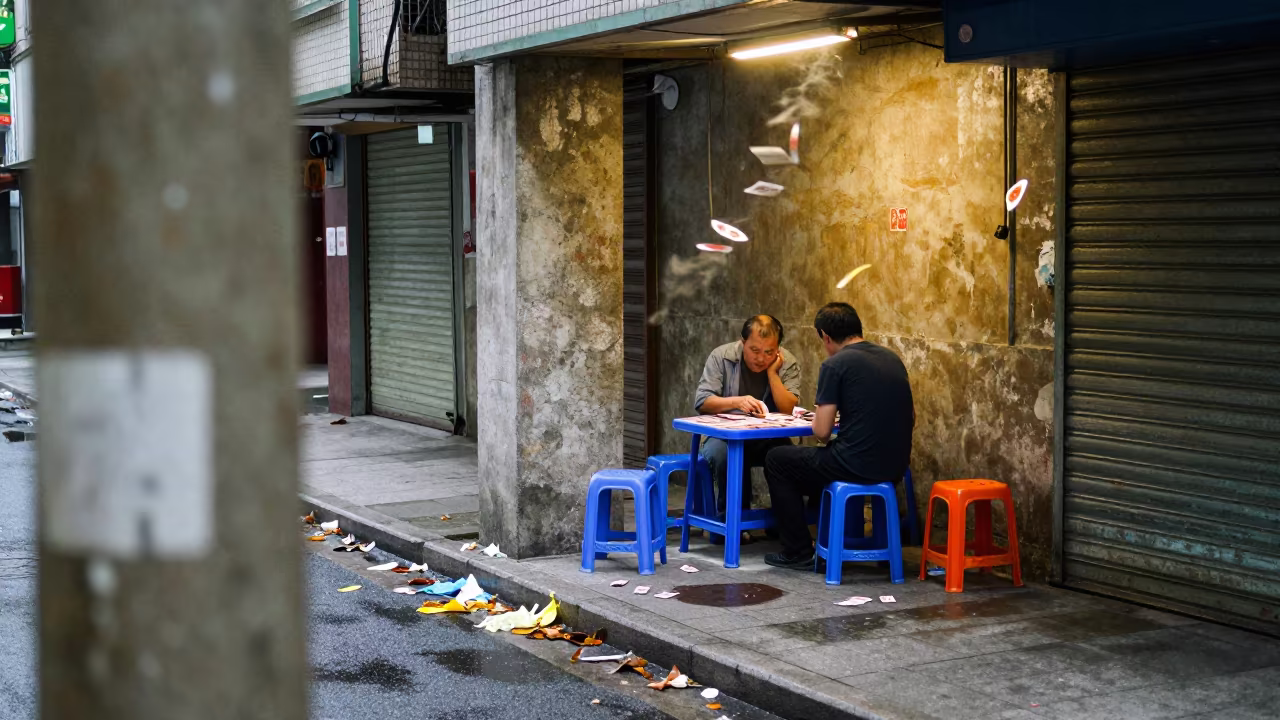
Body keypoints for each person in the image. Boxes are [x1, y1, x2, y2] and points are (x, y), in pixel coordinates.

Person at [762, 302, 914, 569]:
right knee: (809, 467)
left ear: (826, 337)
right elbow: (911, 418)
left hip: (853, 465)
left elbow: (821, 432)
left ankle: (797, 551)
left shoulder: (835, 364)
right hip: (894, 467)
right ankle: (873, 548)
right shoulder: (892, 359)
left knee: (777, 459)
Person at [695, 315, 801, 517]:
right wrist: (736, 402)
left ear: (777, 349)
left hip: (768, 438)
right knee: (726, 456)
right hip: (723, 437)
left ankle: (783, 524)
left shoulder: (786, 362)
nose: (761, 358)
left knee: (788, 456)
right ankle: (731, 520)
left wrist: (773, 374)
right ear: (743, 342)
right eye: (755, 350)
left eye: (769, 352)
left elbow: (788, 408)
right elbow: (702, 402)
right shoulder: (721, 356)